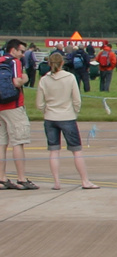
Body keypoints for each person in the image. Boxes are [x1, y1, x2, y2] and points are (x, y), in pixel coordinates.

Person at [35, 50, 96, 190]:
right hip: (67, 116)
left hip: (50, 117)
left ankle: (57, 182)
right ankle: (85, 180)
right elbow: (76, 99)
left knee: (54, 151)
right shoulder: (70, 77)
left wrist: (46, 110)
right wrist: (74, 111)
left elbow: (39, 103)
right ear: (62, 63)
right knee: (77, 150)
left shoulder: (44, 80)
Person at [0, 39, 37, 189]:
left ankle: (2, 178)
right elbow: (16, 82)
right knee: (18, 142)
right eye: (21, 51)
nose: (22, 55)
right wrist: (25, 78)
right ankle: (21, 178)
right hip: (13, 105)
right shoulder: (14, 62)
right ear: (13, 50)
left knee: (2, 143)